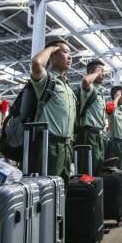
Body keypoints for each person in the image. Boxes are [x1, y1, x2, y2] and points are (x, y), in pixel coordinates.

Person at [30, 39, 76, 183]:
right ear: (53, 56)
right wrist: (51, 49)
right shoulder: (47, 79)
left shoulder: (67, 87)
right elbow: (36, 63)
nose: (70, 57)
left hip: (66, 146)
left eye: (70, 53)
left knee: (63, 189)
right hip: (48, 145)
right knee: (47, 189)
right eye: (65, 52)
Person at [74, 59, 106, 176]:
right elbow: (85, 82)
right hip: (89, 133)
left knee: (98, 165)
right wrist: (96, 73)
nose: (103, 74)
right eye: (101, 71)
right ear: (92, 72)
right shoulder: (89, 89)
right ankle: (86, 192)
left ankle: (95, 193)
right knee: (88, 168)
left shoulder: (99, 91)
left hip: (98, 134)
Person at [106, 85, 122, 170]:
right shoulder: (110, 105)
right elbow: (110, 110)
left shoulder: (121, 110)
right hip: (115, 143)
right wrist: (117, 97)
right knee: (116, 170)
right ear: (117, 94)